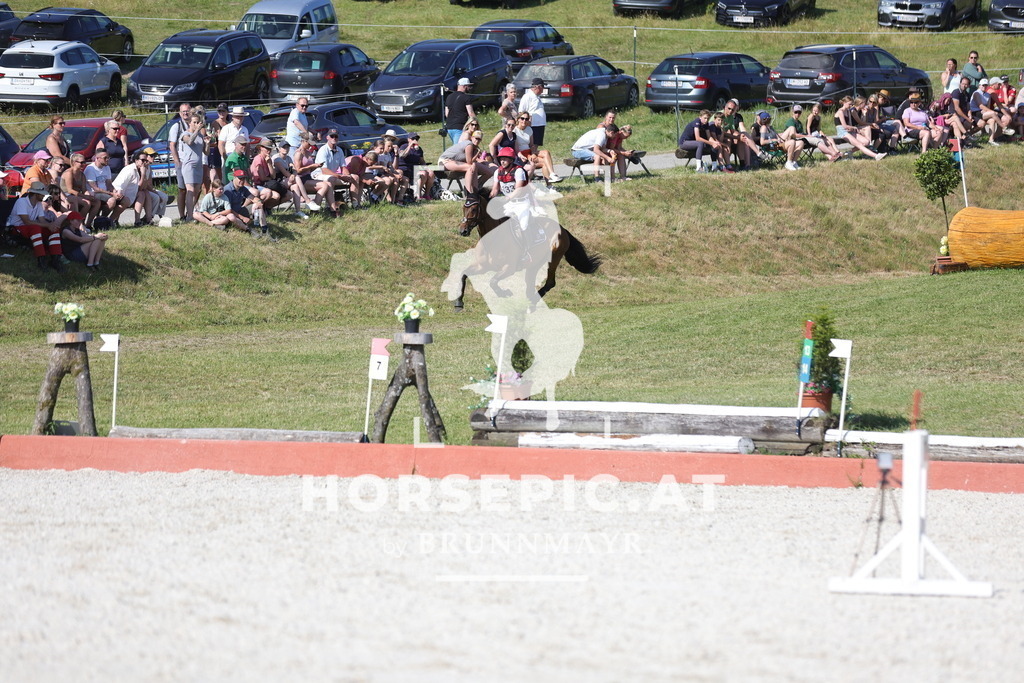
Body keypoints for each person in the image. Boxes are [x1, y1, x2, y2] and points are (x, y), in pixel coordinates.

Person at [9, 181, 65, 271]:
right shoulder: (21, 202)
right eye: (42, 194)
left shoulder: (38, 204)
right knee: (36, 228)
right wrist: (48, 225)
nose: (44, 196)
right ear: (36, 194)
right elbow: (26, 221)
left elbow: (42, 220)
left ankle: (55, 259)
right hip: (17, 228)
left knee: (54, 229)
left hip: (30, 227)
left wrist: (50, 226)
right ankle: (41, 259)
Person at [272, 140, 318, 218]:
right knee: (296, 177)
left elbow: (294, 169)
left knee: (296, 186)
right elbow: (285, 172)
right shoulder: (276, 159)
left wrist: (293, 173)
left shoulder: (288, 158)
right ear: (279, 149)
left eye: (287, 147)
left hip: (287, 180)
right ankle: (307, 200)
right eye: (283, 147)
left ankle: (298, 211)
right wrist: (293, 174)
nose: (286, 149)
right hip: (278, 181)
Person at [84, 151, 130, 224]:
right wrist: (111, 194)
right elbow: (95, 188)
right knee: (112, 201)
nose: (107, 159)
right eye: (105, 158)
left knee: (126, 200)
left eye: (108, 158)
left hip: (106, 193)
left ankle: (108, 221)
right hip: (94, 193)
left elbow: (109, 183)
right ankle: (100, 221)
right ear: (97, 158)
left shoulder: (107, 167)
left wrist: (115, 191)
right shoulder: (90, 169)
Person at [177, 111, 208, 222]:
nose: (197, 124)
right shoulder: (185, 134)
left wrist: (207, 143)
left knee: (197, 190)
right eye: (194, 122)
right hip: (189, 165)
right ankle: (189, 216)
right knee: (189, 190)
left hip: (199, 165)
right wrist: (197, 131)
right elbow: (189, 142)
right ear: (190, 123)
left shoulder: (200, 135)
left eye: (198, 122)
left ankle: (191, 212)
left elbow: (206, 152)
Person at [513, 113, 560, 184]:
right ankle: (549, 184)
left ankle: (552, 174)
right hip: (521, 154)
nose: (524, 121)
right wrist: (529, 155)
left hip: (529, 151)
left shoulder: (529, 129)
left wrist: (533, 153)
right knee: (544, 163)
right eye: (522, 118)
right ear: (518, 119)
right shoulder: (515, 131)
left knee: (546, 152)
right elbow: (515, 148)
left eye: (526, 119)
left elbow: (532, 145)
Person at [113, 150, 156, 227]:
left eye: (146, 160)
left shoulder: (143, 169)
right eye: (142, 160)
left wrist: (144, 174)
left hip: (131, 194)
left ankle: (142, 220)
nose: (144, 162)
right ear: (136, 160)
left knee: (144, 193)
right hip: (121, 194)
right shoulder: (130, 170)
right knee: (142, 194)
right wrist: (143, 175)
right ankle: (112, 220)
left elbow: (141, 188)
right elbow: (120, 184)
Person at [223, 170, 270, 238]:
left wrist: (259, 202)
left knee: (258, 206)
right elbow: (228, 210)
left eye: (244, 178)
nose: (242, 181)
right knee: (231, 217)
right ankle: (248, 229)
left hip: (240, 210)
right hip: (231, 214)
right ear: (234, 178)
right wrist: (243, 217)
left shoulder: (242, 188)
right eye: (240, 178)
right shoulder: (228, 190)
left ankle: (265, 230)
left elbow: (252, 198)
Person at [314, 129, 350, 215]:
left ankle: (356, 205)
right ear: (327, 137)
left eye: (336, 136)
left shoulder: (340, 150)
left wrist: (347, 175)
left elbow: (343, 166)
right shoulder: (323, 150)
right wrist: (340, 176)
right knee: (332, 178)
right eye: (332, 136)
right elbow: (324, 170)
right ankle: (329, 206)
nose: (334, 138)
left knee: (355, 177)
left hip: (333, 176)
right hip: (318, 174)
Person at [60, 154, 102, 228]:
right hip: (66, 195)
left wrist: (88, 195)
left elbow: (84, 189)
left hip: (77, 195)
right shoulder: (69, 173)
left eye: (84, 162)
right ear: (74, 162)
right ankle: (80, 223)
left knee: (97, 202)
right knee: (86, 203)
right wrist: (85, 196)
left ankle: (88, 224)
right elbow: (70, 190)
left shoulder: (82, 174)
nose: (83, 164)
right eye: (81, 162)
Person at [720, 99, 763, 169]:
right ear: (725, 107)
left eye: (733, 109)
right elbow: (722, 132)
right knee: (736, 138)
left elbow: (734, 130)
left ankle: (744, 164)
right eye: (729, 108)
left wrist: (741, 136)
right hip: (718, 136)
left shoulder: (735, 116)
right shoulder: (720, 116)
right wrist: (738, 136)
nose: (731, 111)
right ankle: (727, 165)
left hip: (730, 135)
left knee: (743, 138)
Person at [294, 134, 332, 212]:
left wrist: (316, 166)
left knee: (329, 184)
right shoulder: (298, 153)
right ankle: (314, 209)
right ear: (303, 141)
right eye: (309, 144)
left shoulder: (308, 153)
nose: (310, 146)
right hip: (301, 180)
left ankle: (332, 208)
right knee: (324, 185)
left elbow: (309, 170)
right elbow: (298, 170)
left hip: (308, 177)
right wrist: (311, 166)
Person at [167, 102, 193, 218]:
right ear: (179, 113)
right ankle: (182, 215)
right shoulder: (176, 126)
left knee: (193, 189)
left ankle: (191, 213)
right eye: (183, 111)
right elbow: (172, 145)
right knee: (182, 189)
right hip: (182, 162)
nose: (185, 113)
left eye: (187, 111)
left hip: (193, 162)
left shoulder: (194, 125)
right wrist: (177, 162)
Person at [969, 78, 1012, 145]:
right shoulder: (976, 93)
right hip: (975, 112)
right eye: (983, 85)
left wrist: (988, 111)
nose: (984, 87)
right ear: (979, 85)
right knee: (992, 113)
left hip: (983, 112)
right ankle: (1004, 128)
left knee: (992, 120)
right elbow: (980, 105)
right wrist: (991, 112)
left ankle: (991, 140)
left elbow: (987, 107)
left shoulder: (987, 95)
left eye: (986, 85)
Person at [249, 138, 284, 211]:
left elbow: (273, 176)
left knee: (288, 195)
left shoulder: (268, 159)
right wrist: (270, 179)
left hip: (266, 184)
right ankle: (259, 208)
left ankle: (267, 208)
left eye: (270, 149)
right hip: (257, 184)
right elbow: (262, 178)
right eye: (266, 148)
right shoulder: (258, 159)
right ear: (261, 148)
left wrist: (269, 164)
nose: (269, 150)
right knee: (276, 196)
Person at [397, 133, 434, 201]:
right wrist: (410, 145)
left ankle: (426, 194)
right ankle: (418, 195)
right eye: (413, 139)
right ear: (408, 139)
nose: (415, 140)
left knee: (431, 173)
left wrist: (427, 168)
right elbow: (402, 155)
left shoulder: (418, 149)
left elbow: (422, 161)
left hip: (415, 169)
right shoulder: (403, 146)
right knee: (422, 173)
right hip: (404, 169)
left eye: (416, 139)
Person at [218, 107, 250, 179]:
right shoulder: (226, 128)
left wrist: (246, 159)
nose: (239, 118)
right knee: (228, 180)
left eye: (241, 116)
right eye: (237, 116)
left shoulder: (245, 129)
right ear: (233, 117)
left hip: (241, 160)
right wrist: (226, 159)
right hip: (229, 159)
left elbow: (247, 146)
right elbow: (221, 145)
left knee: (242, 180)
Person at [445, 78, 476, 146]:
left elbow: (447, 113)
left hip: (449, 127)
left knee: (456, 145)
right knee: (458, 148)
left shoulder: (449, 97)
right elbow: (471, 113)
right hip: (460, 127)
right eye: (468, 86)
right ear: (464, 86)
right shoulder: (466, 97)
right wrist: (476, 124)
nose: (470, 88)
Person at [519, 78, 548, 145]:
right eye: (542, 87)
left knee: (537, 143)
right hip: (533, 125)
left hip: (539, 125)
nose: (543, 89)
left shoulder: (537, 97)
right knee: (532, 144)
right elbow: (521, 112)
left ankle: (534, 153)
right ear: (537, 87)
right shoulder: (527, 96)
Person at [208, 103, 230, 188]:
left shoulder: (228, 123)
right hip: (218, 150)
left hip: (228, 149)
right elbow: (220, 136)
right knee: (220, 174)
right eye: (219, 111)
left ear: (227, 112)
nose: (221, 113)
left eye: (223, 111)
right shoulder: (216, 123)